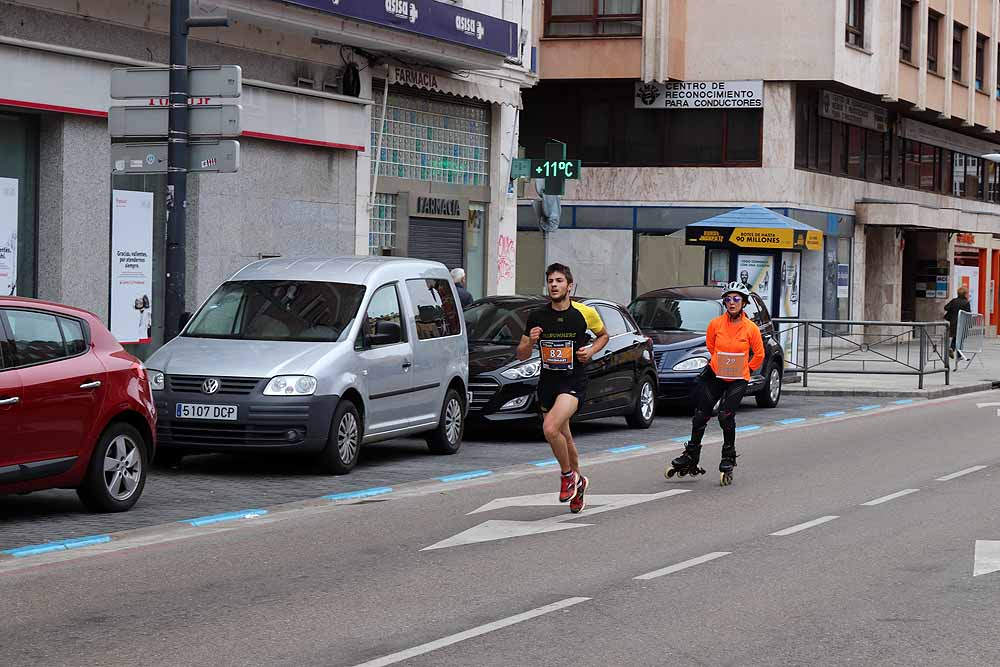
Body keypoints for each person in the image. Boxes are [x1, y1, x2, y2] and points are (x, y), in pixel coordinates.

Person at [517, 263, 608, 513]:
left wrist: (590, 351)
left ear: (570, 285)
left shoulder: (583, 313)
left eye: (559, 281)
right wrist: (531, 341)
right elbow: (522, 354)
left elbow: (603, 336)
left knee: (550, 428)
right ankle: (580, 481)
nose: (554, 285)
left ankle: (568, 475)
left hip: (573, 381)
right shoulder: (537, 316)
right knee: (564, 437)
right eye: (550, 281)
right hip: (548, 383)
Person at [666, 281, 765, 486]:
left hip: (738, 378)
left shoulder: (751, 329)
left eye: (736, 299)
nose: (731, 302)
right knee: (701, 415)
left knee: (725, 416)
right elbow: (712, 346)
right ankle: (691, 455)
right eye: (728, 299)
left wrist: (745, 369)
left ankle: (728, 457)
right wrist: (721, 363)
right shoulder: (716, 324)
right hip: (716, 374)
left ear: (744, 303)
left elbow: (760, 354)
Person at [944, 287, 972, 358]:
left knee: (955, 337)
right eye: (968, 293)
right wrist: (970, 324)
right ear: (965, 294)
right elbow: (968, 314)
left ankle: (952, 349)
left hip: (953, 323)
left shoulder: (954, 301)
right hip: (962, 323)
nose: (969, 295)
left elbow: (946, 307)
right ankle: (959, 354)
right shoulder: (966, 302)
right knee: (960, 338)